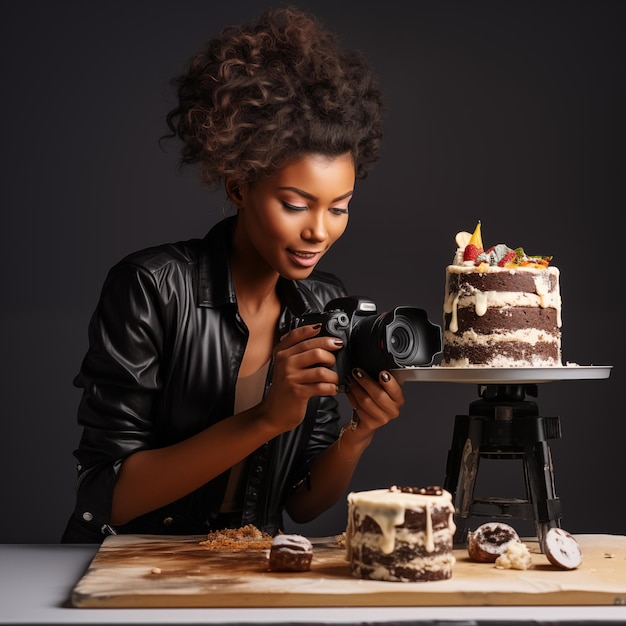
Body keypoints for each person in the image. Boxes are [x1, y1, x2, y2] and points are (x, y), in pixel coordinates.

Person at [61, 6, 405, 544]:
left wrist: (359, 434)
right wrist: (267, 418)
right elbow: (111, 496)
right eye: (295, 205)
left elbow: (303, 505)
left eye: (339, 207)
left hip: (246, 569)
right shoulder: (152, 288)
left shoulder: (323, 303)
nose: (319, 230)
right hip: (133, 570)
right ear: (239, 186)